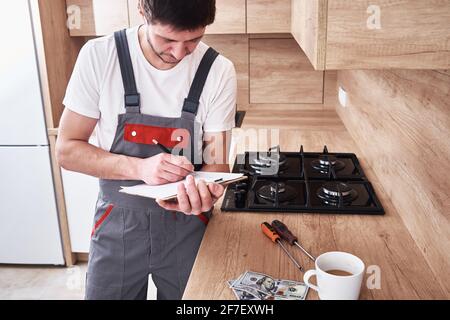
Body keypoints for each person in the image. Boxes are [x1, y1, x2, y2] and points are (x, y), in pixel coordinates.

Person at [56, 0, 237, 300]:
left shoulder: (218, 71)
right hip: (117, 227)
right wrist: (139, 169)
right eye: (167, 39)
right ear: (142, 9)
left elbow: (216, 163)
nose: (179, 54)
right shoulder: (100, 56)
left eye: (193, 40)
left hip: (189, 227)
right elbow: (67, 150)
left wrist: (205, 194)